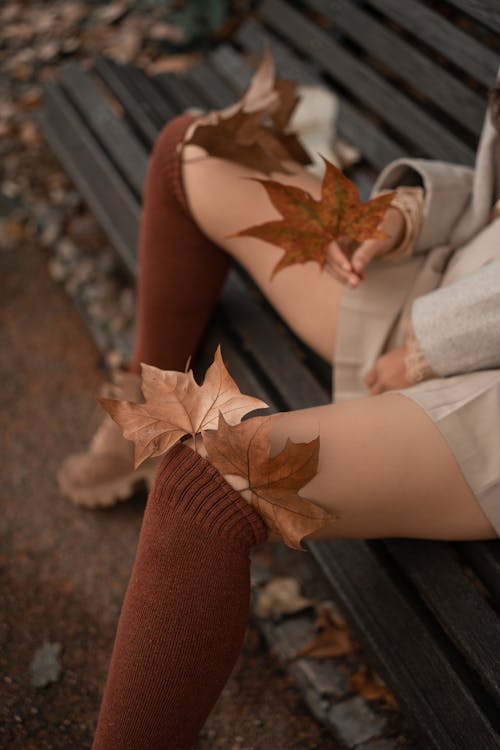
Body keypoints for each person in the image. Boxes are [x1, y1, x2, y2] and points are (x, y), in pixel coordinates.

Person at [59, 75, 500, 748]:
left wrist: (434, 346)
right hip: (456, 284)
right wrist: (408, 212)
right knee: (193, 151)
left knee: (210, 484)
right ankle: (148, 416)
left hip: (480, 383)